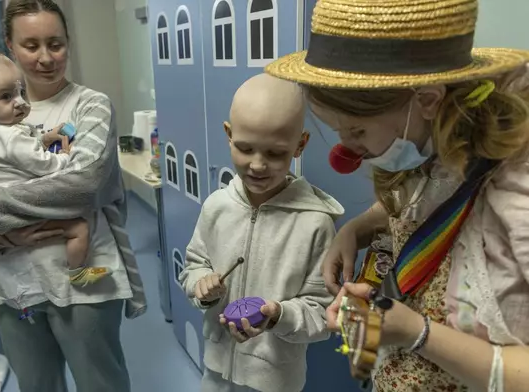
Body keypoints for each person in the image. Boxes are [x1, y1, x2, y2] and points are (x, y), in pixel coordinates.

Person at [266, 0, 529, 391]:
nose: (348, 151)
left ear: (426, 100)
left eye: (356, 132)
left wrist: (417, 333)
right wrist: (356, 229)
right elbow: (433, 201)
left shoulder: (516, 193)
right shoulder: (437, 141)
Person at [0, 1, 146, 391]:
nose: (45, 58)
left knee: (100, 382)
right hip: (12, 281)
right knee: (37, 384)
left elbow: (84, 184)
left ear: (68, 43)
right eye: (30, 45)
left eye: (55, 44)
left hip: (84, 284)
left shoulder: (90, 106)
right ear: (10, 47)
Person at [180, 73, 344, 392]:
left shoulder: (315, 224)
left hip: (275, 382)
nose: (257, 165)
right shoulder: (216, 207)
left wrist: (278, 315)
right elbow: (193, 266)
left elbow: (321, 312)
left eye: (274, 153)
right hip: (215, 371)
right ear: (229, 135)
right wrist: (200, 285)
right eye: (245, 148)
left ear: (300, 145)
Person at [0, 49, 111, 286]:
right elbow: (41, 165)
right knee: (79, 228)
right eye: (7, 97)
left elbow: (13, 154)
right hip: (16, 209)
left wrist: (42, 139)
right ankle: (78, 272)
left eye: (21, 92)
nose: (20, 102)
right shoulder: (12, 137)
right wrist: (63, 157)